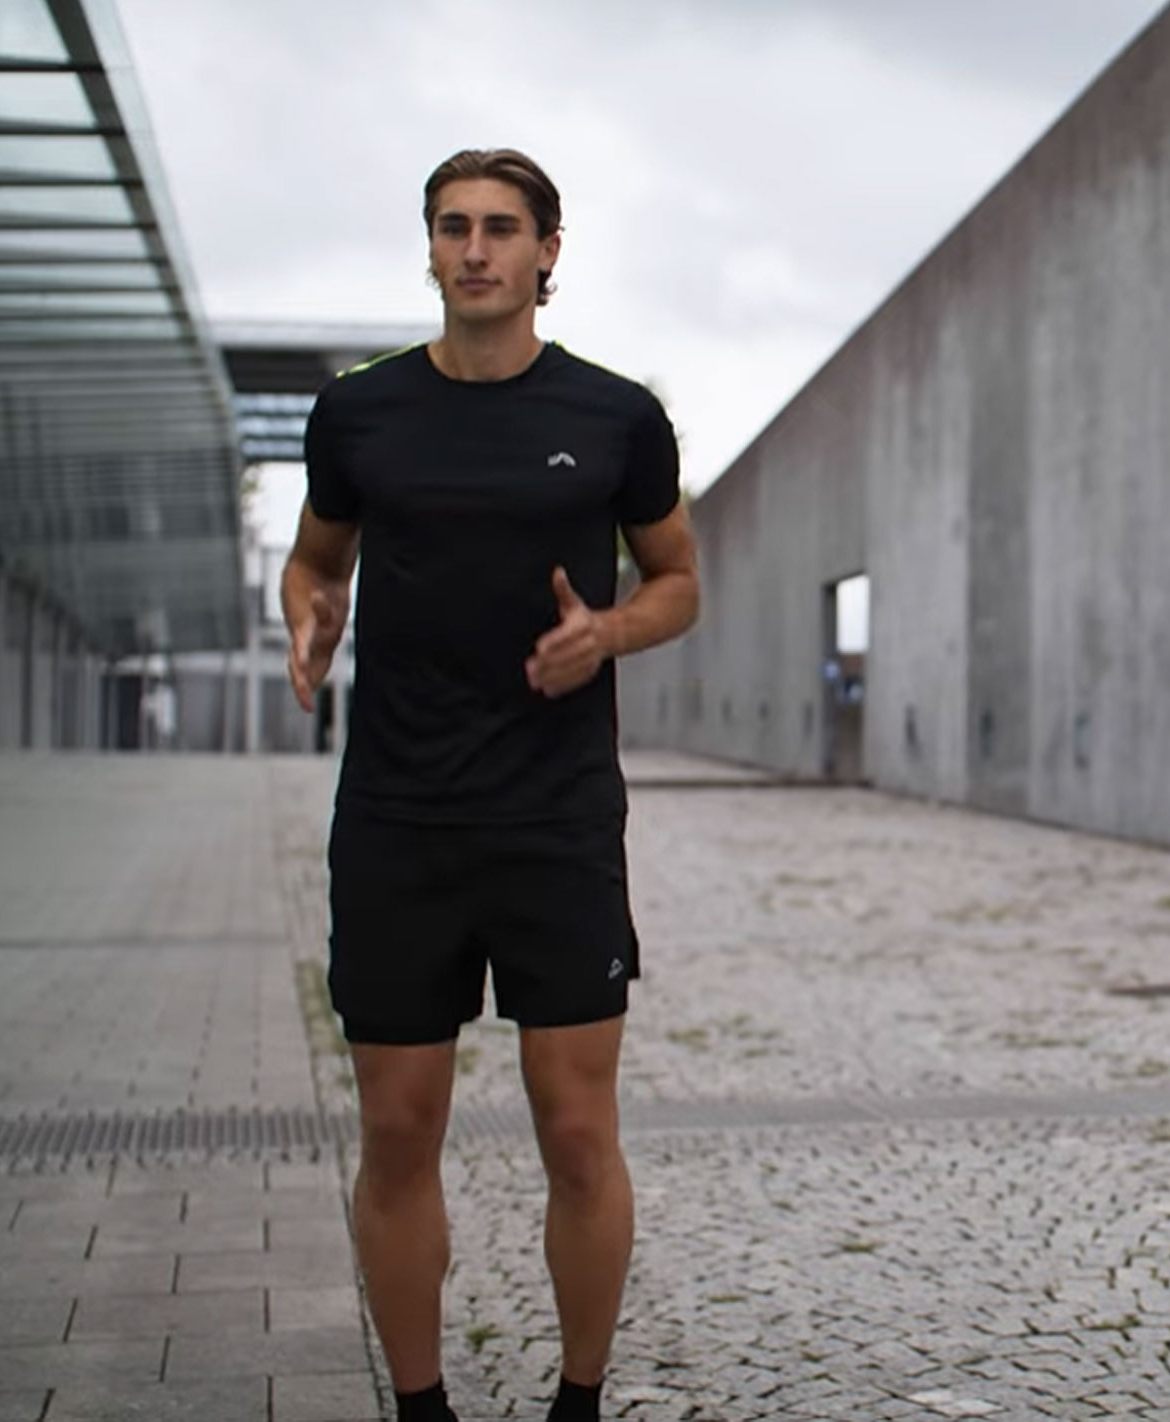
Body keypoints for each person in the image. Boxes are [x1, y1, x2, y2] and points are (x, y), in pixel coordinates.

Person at [282, 147, 700, 1422]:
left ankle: (578, 1402)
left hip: (556, 819)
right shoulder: (359, 413)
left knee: (577, 1136)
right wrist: (308, 619)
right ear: (429, 248)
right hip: (398, 819)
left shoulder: (615, 416)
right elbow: (315, 560)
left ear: (545, 255)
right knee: (399, 1135)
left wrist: (606, 636)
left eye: (502, 229)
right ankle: (420, 1408)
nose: (476, 249)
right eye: (454, 227)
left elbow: (678, 581)